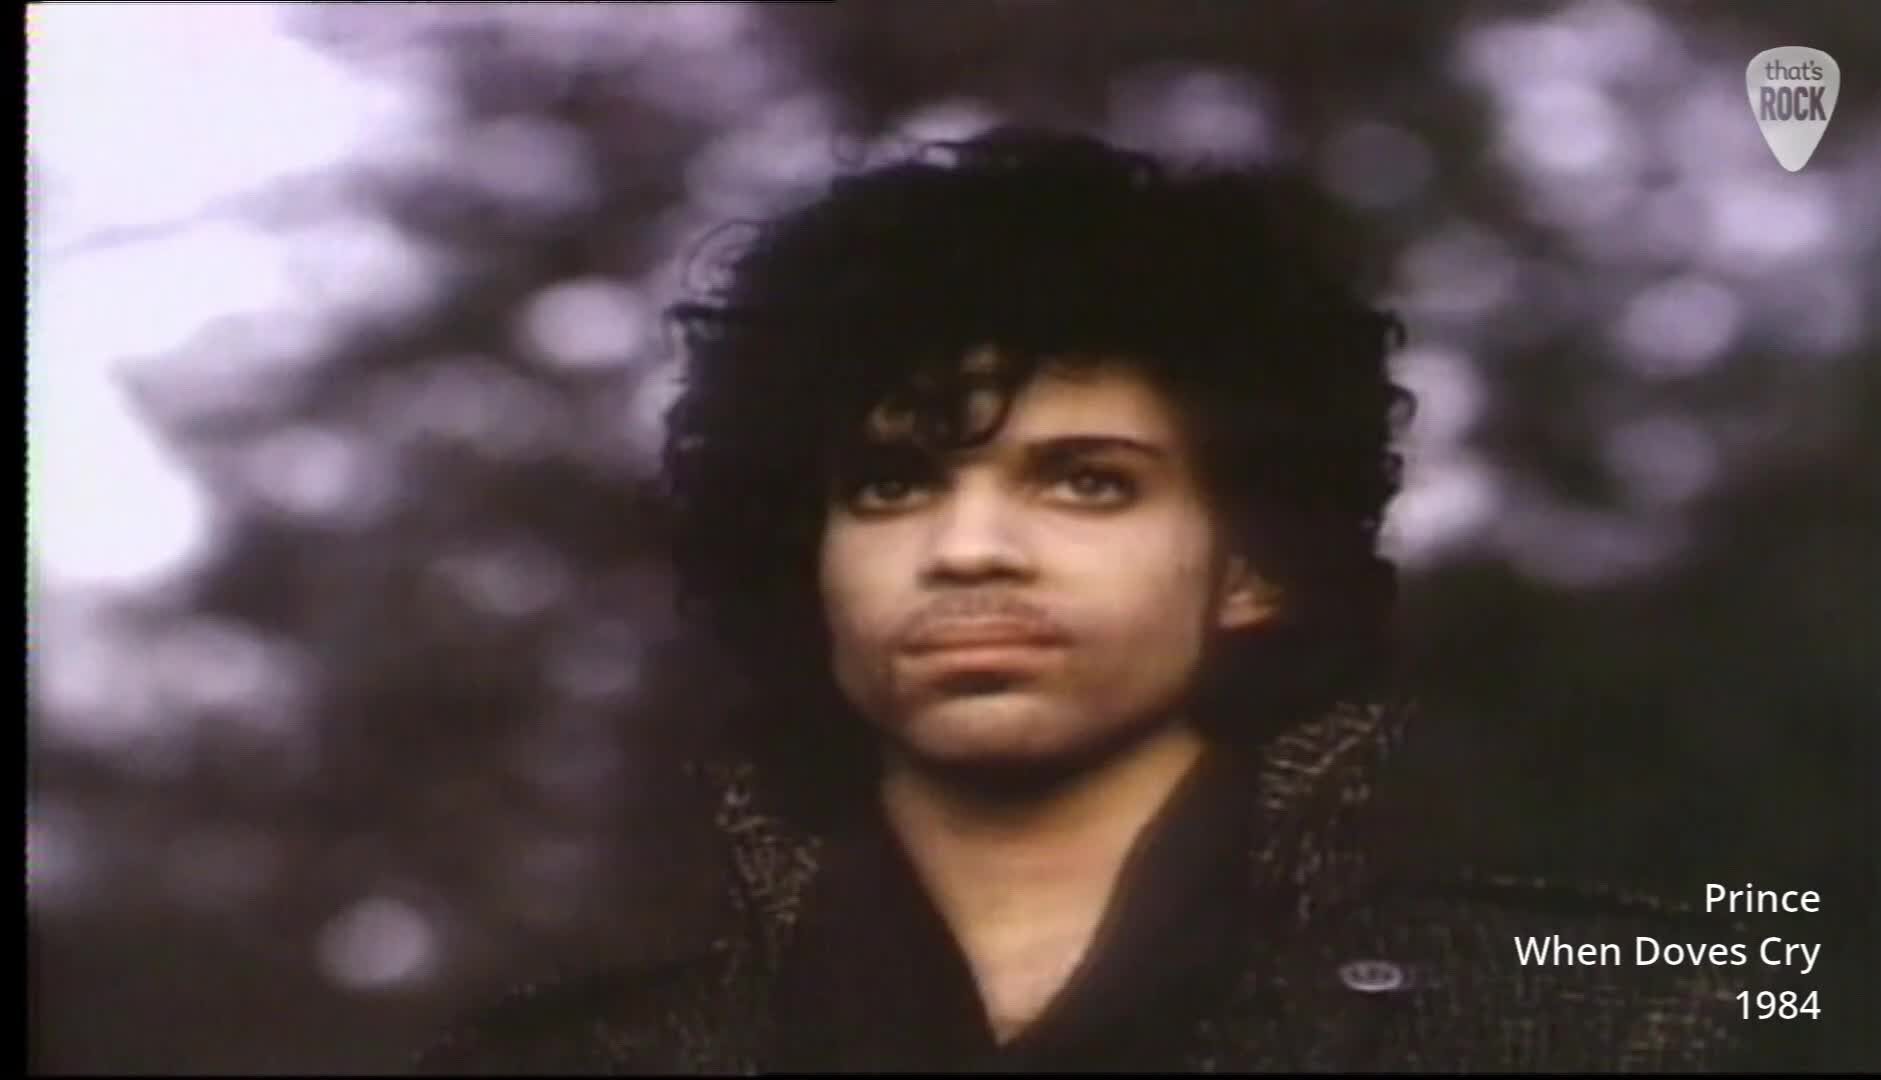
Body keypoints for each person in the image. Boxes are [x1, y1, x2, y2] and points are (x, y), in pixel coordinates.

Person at [416, 128, 1786, 1072]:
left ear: (1252, 565)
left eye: (1085, 481)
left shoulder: (1601, 1024)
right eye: (891, 484)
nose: (969, 549)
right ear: (805, 562)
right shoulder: (573, 1064)